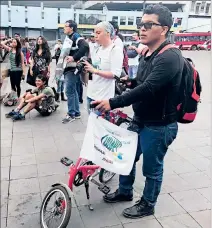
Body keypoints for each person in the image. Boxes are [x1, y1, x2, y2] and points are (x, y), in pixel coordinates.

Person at [91, 4, 184, 219]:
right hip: (141, 119)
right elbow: (143, 83)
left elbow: (149, 88)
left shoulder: (170, 57)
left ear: (164, 29)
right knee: (126, 158)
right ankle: (125, 192)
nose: (142, 29)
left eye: (148, 25)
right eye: (140, 24)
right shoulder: (148, 53)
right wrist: (131, 81)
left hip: (159, 125)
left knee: (152, 169)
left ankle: (148, 203)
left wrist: (113, 102)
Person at [83, 21, 123, 114]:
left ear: (108, 33)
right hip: (91, 93)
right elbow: (94, 70)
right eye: (94, 32)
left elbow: (115, 74)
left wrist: (95, 70)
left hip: (103, 98)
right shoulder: (97, 49)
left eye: (98, 32)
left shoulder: (115, 49)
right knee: (92, 125)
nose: (95, 35)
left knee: (100, 126)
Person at [62, 20, 89, 123]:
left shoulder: (75, 36)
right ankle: (76, 113)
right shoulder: (69, 37)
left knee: (69, 91)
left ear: (71, 28)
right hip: (69, 68)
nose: (64, 28)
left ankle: (71, 114)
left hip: (72, 68)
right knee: (73, 91)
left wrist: (74, 57)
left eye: (66, 26)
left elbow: (85, 46)